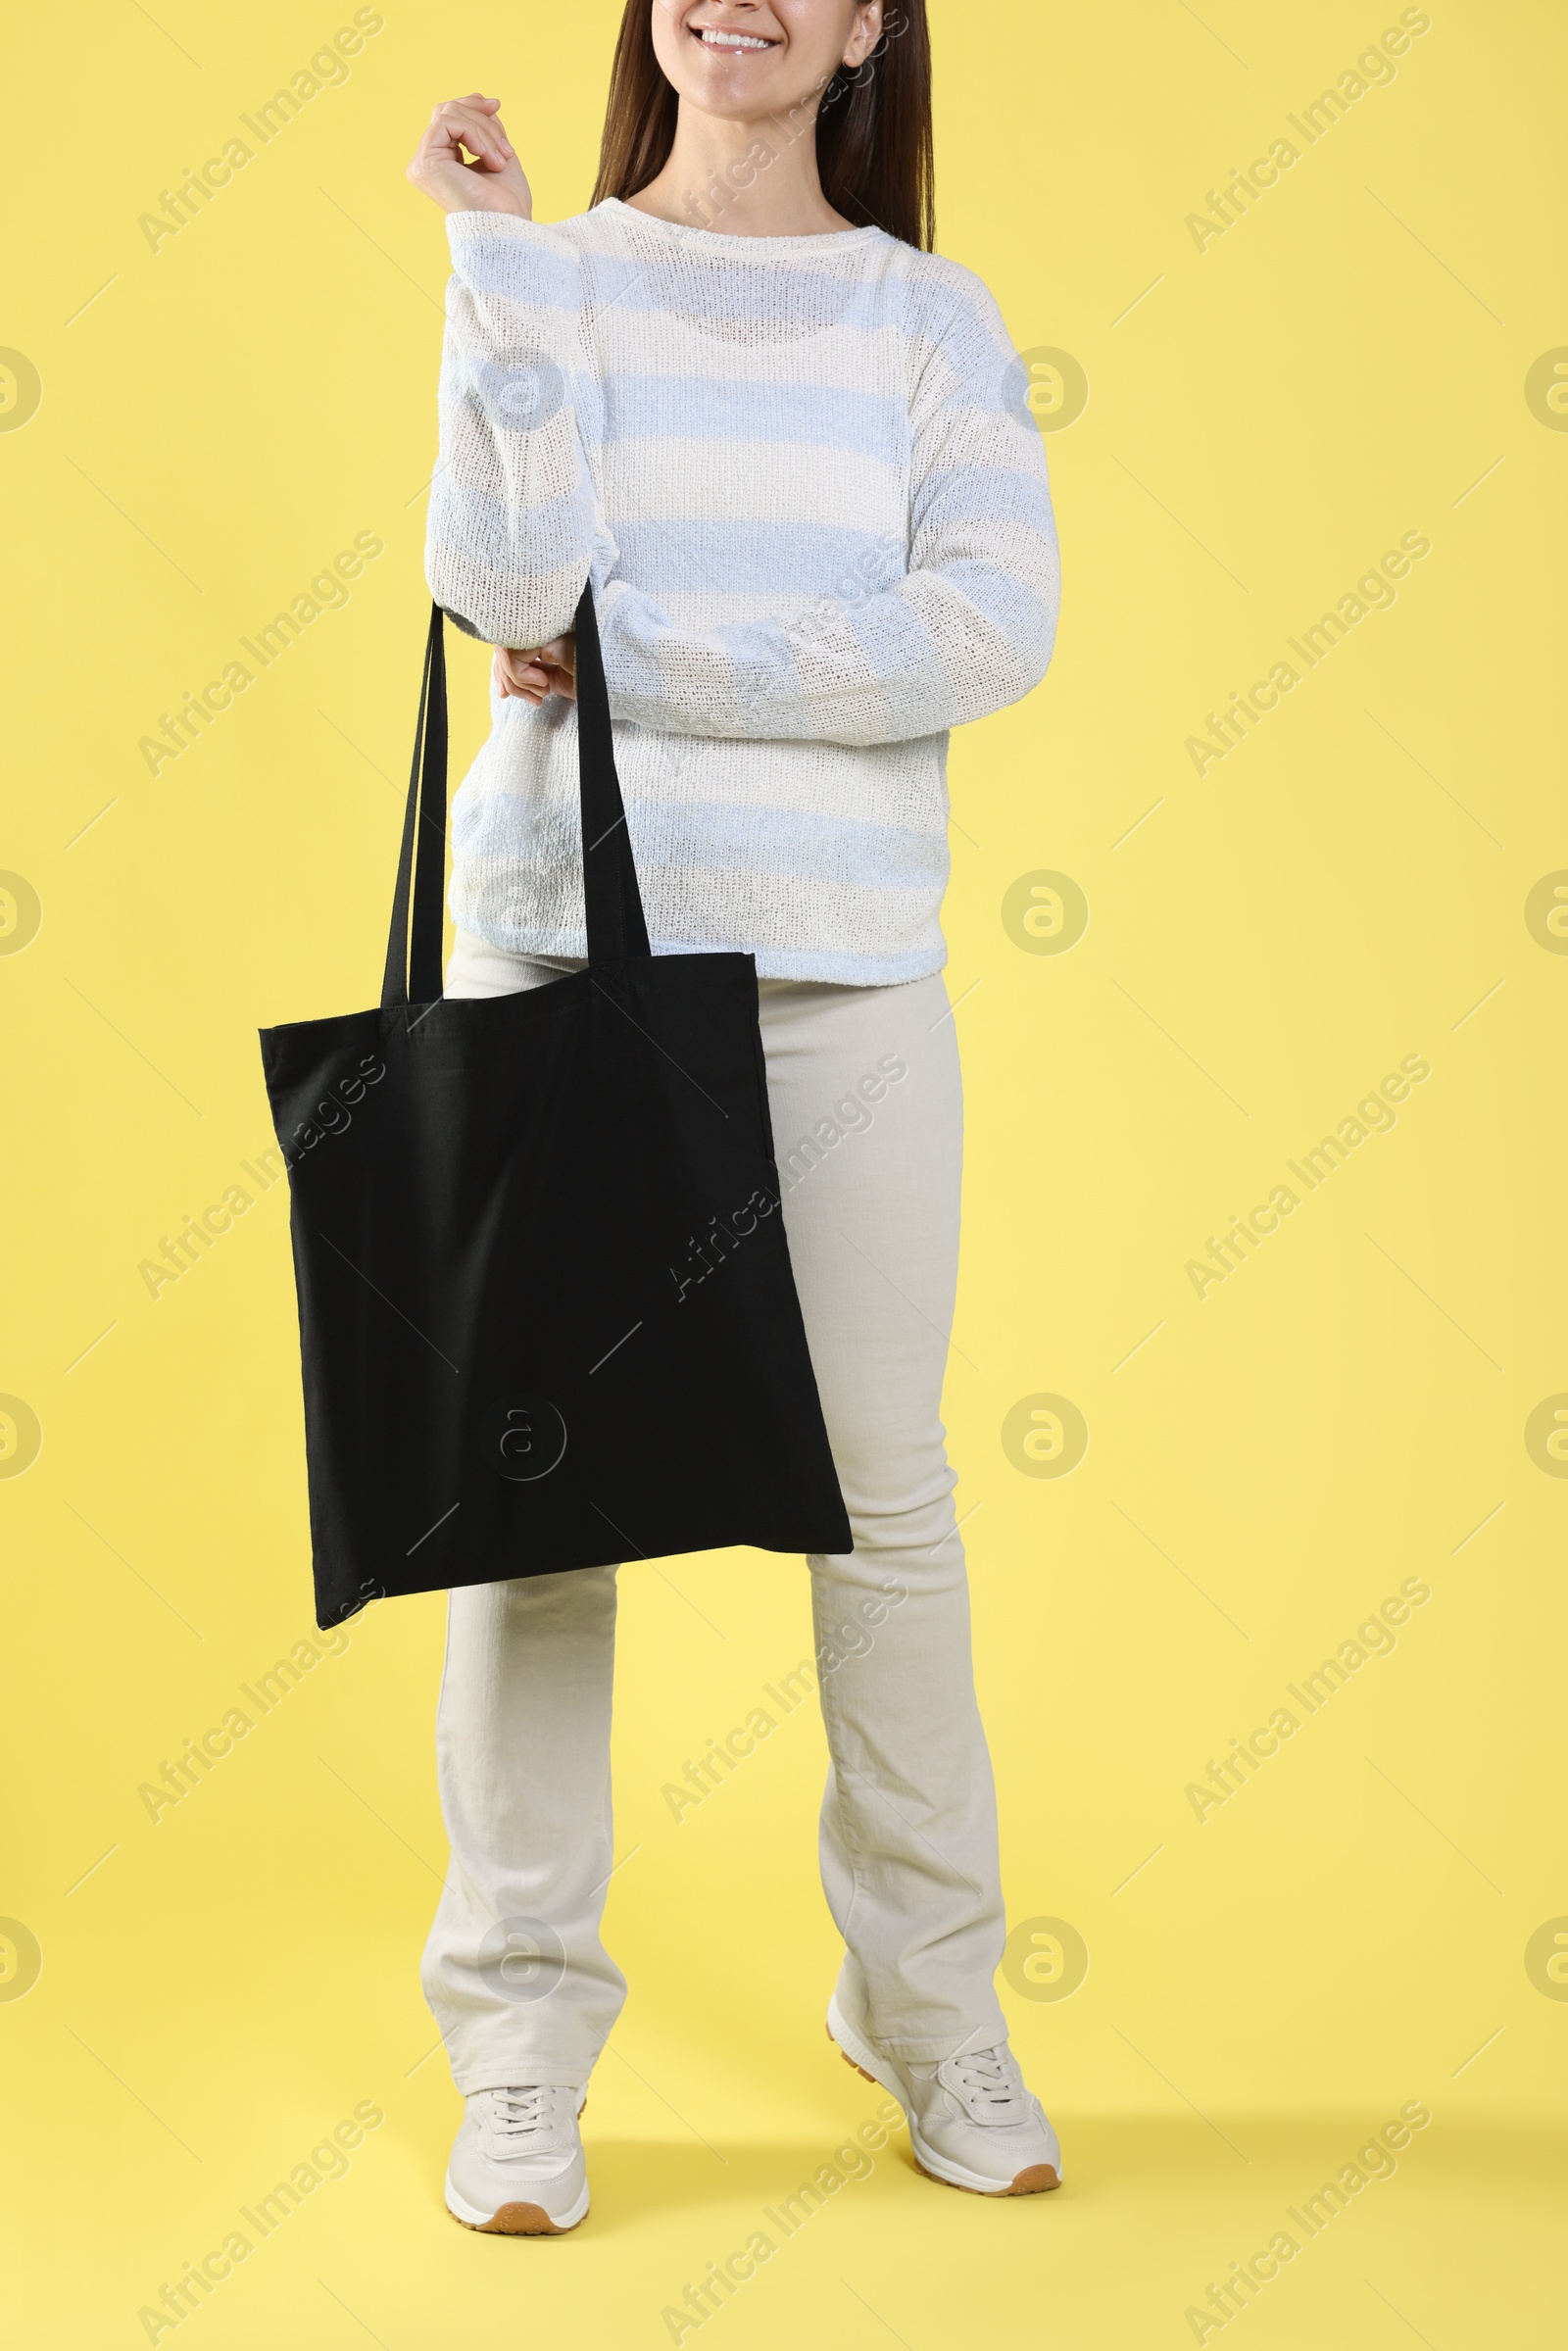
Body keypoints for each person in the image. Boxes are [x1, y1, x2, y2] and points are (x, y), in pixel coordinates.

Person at [406, 0, 1062, 2235]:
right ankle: (512, 2044)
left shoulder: (923, 320)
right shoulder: (552, 277)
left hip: (844, 974)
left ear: (868, 20)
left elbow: (985, 627)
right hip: (565, 954)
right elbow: (502, 595)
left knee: (878, 1509)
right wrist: (493, 272)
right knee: (535, 1516)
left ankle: (930, 2011)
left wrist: (645, 650)